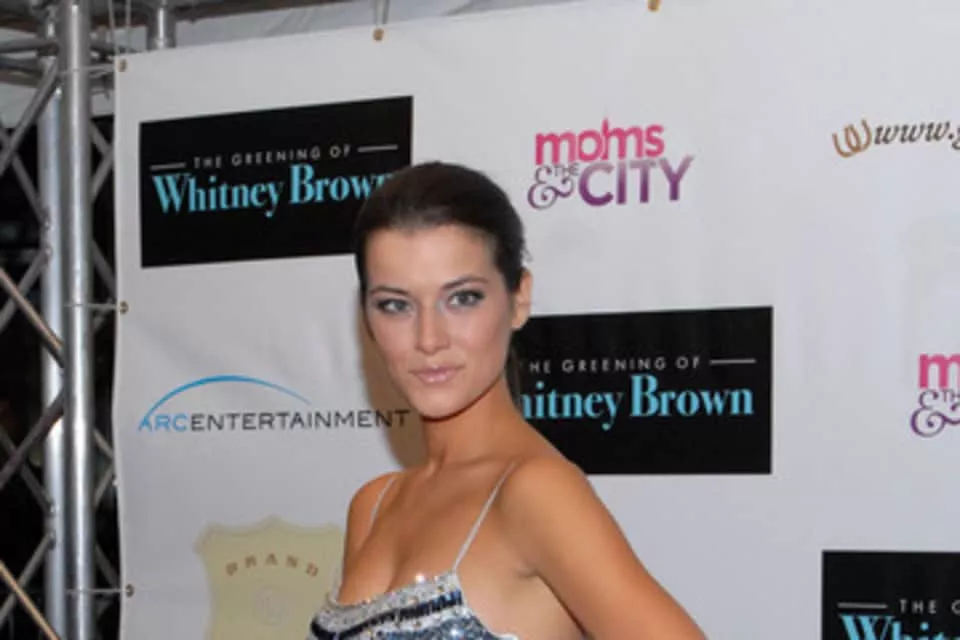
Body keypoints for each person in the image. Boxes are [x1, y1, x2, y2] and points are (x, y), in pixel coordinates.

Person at [307, 162, 706, 640]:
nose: (429, 338)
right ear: (367, 318)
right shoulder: (374, 505)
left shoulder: (536, 493)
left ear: (519, 299)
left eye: (462, 298)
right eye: (396, 304)